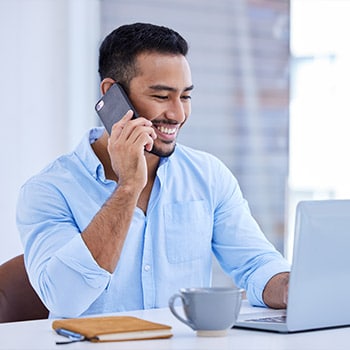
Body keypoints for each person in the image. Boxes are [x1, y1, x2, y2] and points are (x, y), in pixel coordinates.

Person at [16, 22, 290, 319]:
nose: (178, 114)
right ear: (112, 94)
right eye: (161, 97)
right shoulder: (48, 190)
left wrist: (291, 287)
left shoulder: (208, 176)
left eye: (185, 96)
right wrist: (128, 187)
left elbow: (256, 264)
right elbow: (65, 299)